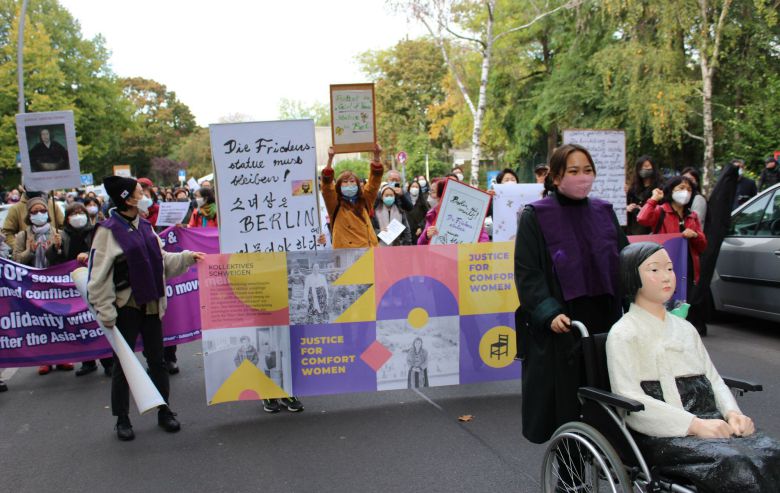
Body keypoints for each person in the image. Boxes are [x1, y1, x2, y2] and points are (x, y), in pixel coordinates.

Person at [607, 242, 780, 493]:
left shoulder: (685, 329)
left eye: (669, 268)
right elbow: (629, 396)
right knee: (737, 465)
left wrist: (733, 413)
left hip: (711, 420)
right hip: (666, 432)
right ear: (631, 276)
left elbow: (712, 378)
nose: (666, 276)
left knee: (771, 452)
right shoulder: (624, 333)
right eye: (654, 270)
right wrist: (693, 424)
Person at [514, 143, 628, 444]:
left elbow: (625, 261)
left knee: (607, 402)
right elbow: (528, 274)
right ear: (556, 176)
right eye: (574, 171)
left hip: (605, 322)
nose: (582, 178)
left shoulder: (604, 212)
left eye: (588, 171)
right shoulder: (535, 216)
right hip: (563, 327)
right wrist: (548, 312)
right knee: (566, 409)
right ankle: (570, 479)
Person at [87, 175, 205, 441]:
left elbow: (161, 260)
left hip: (151, 303)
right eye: (140, 192)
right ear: (126, 198)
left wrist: (188, 257)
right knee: (124, 364)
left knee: (157, 360)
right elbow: (98, 277)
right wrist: (105, 312)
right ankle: (122, 418)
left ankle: (164, 411)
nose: (145, 195)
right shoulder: (107, 231)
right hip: (125, 307)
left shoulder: (146, 226)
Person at [48, 203, 113, 376]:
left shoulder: (96, 231)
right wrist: (55, 248)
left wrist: (88, 254)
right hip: (73, 286)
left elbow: (105, 252)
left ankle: (108, 362)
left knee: (98, 324)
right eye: (73, 213)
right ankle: (87, 362)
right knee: (81, 324)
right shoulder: (62, 235)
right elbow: (54, 262)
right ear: (67, 218)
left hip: (95, 282)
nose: (78, 216)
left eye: (80, 212)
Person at [636, 176, 708, 334]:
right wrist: (653, 199)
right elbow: (642, 218)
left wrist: (695, 235)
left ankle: (678, 335)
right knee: (662, 301)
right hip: (662, 266)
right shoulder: (661, 211)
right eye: (681, 188)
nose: (685, 192)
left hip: (686, 268)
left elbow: (703, 246)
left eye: (689, 189)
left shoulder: (692, 216)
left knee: (681, 305)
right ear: (671, 191)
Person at [13, 196, 74, 375]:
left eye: (42, 211)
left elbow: (64, 259)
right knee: (40, 322)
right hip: (32, 285)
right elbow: (16, 260)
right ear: (29, 216)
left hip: (54, 283)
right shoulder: (22, 236)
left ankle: (63, 357)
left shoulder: (58, 233)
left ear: (48, 213)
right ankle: (45, 359)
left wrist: (57, 248)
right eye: (34, 212)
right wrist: (29, 251)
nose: (39, 214)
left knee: (59, 320)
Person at [321, 145, 384, 248]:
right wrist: (330, 159)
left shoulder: (365, 200)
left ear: (358, 185)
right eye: (345, 182)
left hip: (368, 252)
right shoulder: (334, 203)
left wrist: (376, 157)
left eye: (352, 181)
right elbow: (327, 187)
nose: (349, 184)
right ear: (339, 186)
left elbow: (374, 183)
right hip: (345, 254)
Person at [417, 178, 490, 245]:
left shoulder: (469, 215)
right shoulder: (432, 215)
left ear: (443, 195)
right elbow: (420, 243)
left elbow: (484, 241)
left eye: (433, 192)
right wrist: (426, 235)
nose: (430, 195)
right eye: (430, 191)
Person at [626, 155, 664, 235]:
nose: (644, 169)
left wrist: (646, 209)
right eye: (641, 167)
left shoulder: (660, 188)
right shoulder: (633, 188)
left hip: (652, 229)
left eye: (647, 166)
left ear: (653, 168)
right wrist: (628, 208)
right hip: (635, 229)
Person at [406, 179, 429, 244]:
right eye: (413, 187)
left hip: (418, 233)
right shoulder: (404, 201)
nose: (414, 189)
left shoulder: (423, 202)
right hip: (407, 233)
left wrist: (421, 227)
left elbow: (427, 216)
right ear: (409, 188)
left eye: (416, 187)